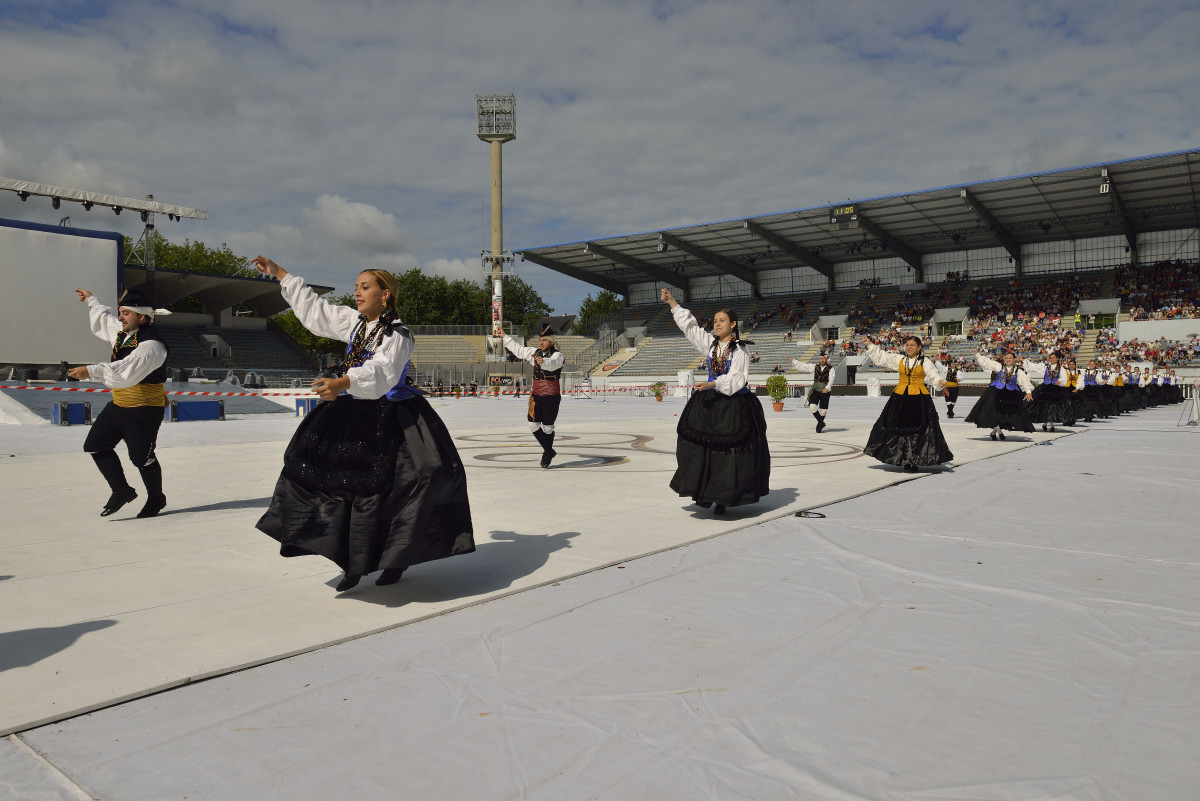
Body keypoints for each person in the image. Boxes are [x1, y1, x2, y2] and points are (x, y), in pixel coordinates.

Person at [251, 257, 474, 592]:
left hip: (392, 414)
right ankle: (351, 562)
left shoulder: (398, 334)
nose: (356, 293)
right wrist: (282, 275)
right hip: (352, 409)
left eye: (364, 287)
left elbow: (382, 372)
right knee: (338, 483)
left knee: (398, 488)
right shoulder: (355, 323)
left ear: (386, 294)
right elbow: (318, 312)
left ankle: (395, 558)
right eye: (356, 287)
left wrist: (343, 382)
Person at [661, 288, 769, 513]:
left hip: (733, 404)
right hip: (710, 402)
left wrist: (712, 384)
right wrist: (672, 303)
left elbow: (737, 378)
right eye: (715, 321)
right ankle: (703, 492)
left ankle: (723, 498)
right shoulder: (710, 344)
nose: (717, 324)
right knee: (698, 446)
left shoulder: (740, 349)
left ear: (733, 324)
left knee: (729, 453)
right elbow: (690, 328)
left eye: (722, 321)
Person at [68, 288, 171, 518]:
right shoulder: (126, 333)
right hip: (120, 402)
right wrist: (91, 300)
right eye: (121, 313)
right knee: (96, 444)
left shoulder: (152, 345)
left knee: (140, 457)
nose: (121, 318)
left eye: (125, 313)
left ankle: (156, 497)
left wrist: (91, 371)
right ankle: (121, 490)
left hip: (144, 407)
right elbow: (107, 323)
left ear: (141, 317)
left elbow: (128, 371)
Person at [859, 334, 953, 472]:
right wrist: (870, 344)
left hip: (919, 399)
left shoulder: (925, 361)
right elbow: (882, 357)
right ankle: (904, 459)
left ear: (920, 347)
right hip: (900, 397)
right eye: (907, 345)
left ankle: (914, 461)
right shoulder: (900, 359)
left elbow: (933, 375)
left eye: (912, 345)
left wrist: (939, 382)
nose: (909, 348)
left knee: (919, 432)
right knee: (897, 429)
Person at [501, 323, 565, 468]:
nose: (541, 343)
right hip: (536, 395)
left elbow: (553, 364)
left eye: (544, 340)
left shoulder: (557, 355)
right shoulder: (534, 353)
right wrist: (505, 336)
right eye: (540, 340)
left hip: (551, 396)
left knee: (548, 428)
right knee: (532, 424)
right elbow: (518, 350)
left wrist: (544, 362)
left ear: (551, 342)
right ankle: (549, 451)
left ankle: (547, 454)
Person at [964, 348, 1035, 440]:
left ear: (1014, 359)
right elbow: (987, 363)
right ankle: (997, 432)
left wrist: (1028, 392)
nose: (1008, 360)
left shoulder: (1019, 371)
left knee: (1006, 416)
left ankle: (994, 432)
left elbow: (1024, 382)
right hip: (996, 392)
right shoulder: (999, 366)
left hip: (1010, 395)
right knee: (994, 414)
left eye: (1010, 358)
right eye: (1006, 358)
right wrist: (977, 354)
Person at [1023, 350, 1071, 432]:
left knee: (1053, 407)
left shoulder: (1061, 368)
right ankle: (1046, 423)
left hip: (1055, 389)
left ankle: (1050, 424)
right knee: (1044, 406)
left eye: (1053, 358)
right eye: (1050, 358)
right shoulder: (1045, 367)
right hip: (1045, 388)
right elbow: (1033, 366)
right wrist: (1026, 361)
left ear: (1057, 359)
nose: (1052, 359)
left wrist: (1060, 381)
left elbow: (1064, 378)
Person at [791, 352, 833, 432]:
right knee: (812, 407)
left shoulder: (831, 369)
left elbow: (831, 380)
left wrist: (827, 388)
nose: (822, 360)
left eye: (824, 358)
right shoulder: (815, 367)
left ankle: (819, 425)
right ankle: (821, 422)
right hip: (816, 391)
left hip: (825, 392)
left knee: (823, 411)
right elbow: (804, 366)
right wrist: (794, 361)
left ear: (826, 359)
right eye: (821, 358)